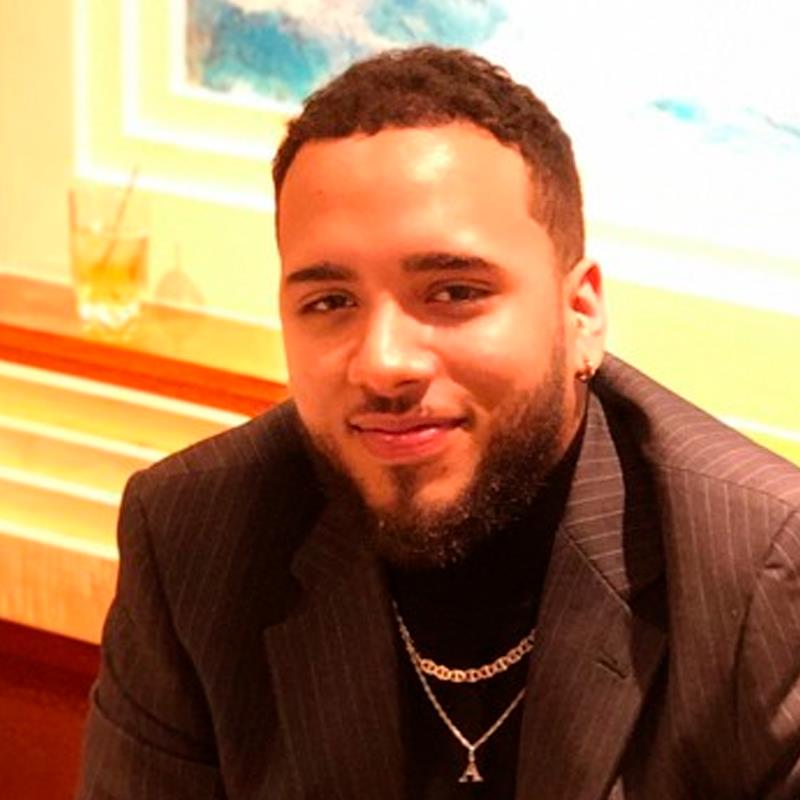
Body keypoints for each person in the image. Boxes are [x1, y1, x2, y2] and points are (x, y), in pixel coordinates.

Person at [77, 46, 800, 799]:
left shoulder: (760, 566)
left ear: (580, 312)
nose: (383, 363)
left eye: (454, 291)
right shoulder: (193, 532)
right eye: (331, 302)